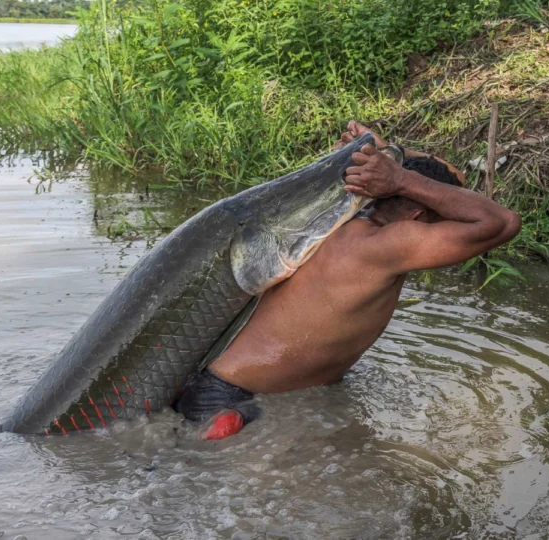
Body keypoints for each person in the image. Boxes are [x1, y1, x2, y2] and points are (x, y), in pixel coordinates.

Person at [174, 121, 521, 439]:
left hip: (230, 390)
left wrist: (389, 156)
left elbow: (449, 176)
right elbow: (502, 222)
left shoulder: (344, 221)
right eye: (443, 221)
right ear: (416, 217)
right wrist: (402, 178)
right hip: (225, 401)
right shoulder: (387, 245)